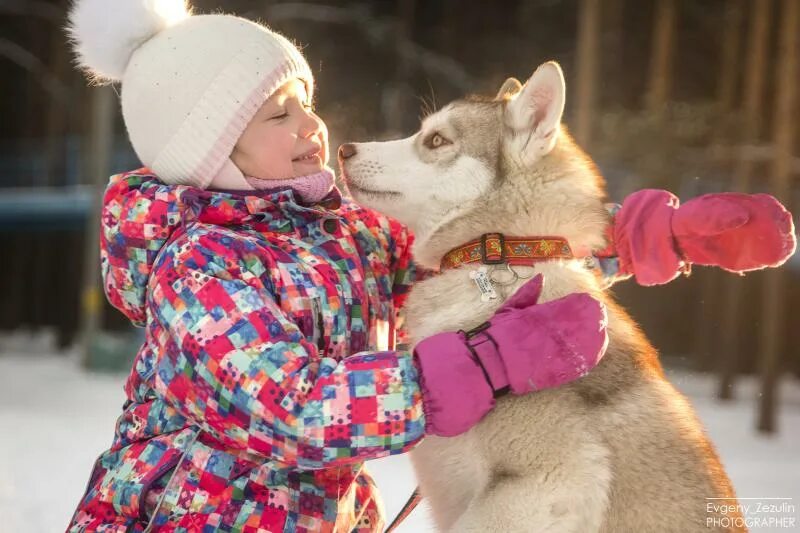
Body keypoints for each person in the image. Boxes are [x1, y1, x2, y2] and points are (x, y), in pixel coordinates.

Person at [66, 1, 795, 531]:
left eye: (306, 102)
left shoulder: (339, 235)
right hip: (190, 519)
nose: (312, 125)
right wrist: (477, 367)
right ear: (212, 151)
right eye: (277, 115)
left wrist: (651, 237)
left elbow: (480, 257)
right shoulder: (199, 268)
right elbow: (293, 407)